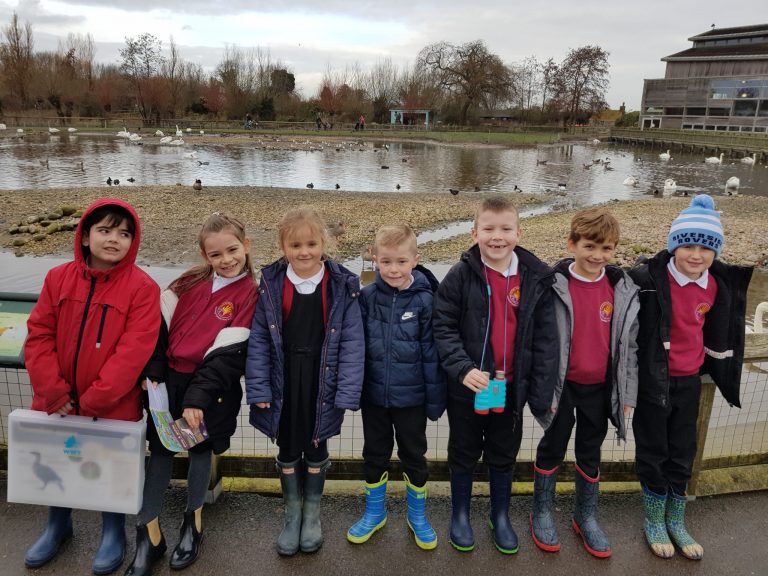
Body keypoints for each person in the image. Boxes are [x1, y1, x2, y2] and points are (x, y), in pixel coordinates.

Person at [23, 198, 161, 574]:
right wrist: (52, 390)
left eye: (124, 234)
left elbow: (135, 349)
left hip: (112, 404)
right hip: (58, 400)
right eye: (105, 230)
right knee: (59, 460)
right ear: (85, 236)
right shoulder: (57, 278)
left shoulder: (143, 288)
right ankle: (57, 525)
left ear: (133, 242)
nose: (114, 239)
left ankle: (112, 531)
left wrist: (98, 397)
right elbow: (38, 334)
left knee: (109, 468)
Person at [124, 213, 257, 575]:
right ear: (204, 255)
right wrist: (153, 371)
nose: (226, 260)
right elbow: (156, 330)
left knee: (199, 451)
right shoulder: (187, 282)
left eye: (232, 250)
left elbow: (230, 355)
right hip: (167, 385)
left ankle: (192, 525)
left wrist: (196, 398)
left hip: (209, 391)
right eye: (216, 254)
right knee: (161, 451)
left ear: (245, 246)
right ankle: (148, 532)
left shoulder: (250, 294)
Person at [629, 195, 752, 560]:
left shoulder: (716, 285)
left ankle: (676, 519)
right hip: (654, 380)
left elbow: (718, 331)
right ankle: (654, 519)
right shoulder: (649, 280)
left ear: (715, 252)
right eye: (688, 246)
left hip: (690, 381)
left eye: (705, 248)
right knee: (653, 450)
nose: (696, 255)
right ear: (674, 246)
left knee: (683, 451)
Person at [433, 195, 558, 554]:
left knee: (503, 454)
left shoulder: (536, 278)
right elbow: (442, 326)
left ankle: (499, 515)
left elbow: (546, 340)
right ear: (474, 233)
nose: (497, 236)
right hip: (468, 388)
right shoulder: (460, 275)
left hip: (511, 389)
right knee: (463, 452)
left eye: (505, 228)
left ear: (519, 232)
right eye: (488, 228)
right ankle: (460, 515)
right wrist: (462, 368)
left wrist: (540, 393)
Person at [245, 207, 364, 556]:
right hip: (283, 378)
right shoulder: (271, 283)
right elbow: (259, 340)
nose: (304, 252)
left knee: (316, 443)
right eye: (295, 245)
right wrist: (259, 387)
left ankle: (312, 514)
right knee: (287, 444)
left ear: (323, 243)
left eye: (311, 244)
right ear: (282, 246)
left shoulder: (341, 285)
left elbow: (353, 342)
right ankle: (292, 513)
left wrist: (347, 390)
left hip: (322, 378)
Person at [531, 208, 640, 558]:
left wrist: (628, 392)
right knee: (552, 445)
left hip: (599, 387)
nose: (597, 256)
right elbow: (537, 338)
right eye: (590, 247)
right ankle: (542, 511)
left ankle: (586, 516)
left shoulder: (621, 289)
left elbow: (630, 346)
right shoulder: (551, 285)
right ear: (572, 244)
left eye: (606, 249)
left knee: (591, 449)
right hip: (561, 386)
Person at [347, 225, 445, 549]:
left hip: (412, 399)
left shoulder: (426, 300)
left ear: (415, 260)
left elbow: (431, 354)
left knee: (414, 455)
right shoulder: (366, 297)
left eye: (401, 262)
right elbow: (355, 348)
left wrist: (435, 401)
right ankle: (374, 512)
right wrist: (353, 391)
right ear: (375, 259)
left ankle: (417, 516)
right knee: (374, 454)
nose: (393, 269)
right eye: (386, 261)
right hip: (374, 397)